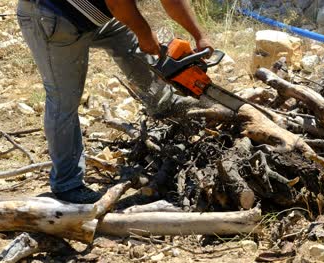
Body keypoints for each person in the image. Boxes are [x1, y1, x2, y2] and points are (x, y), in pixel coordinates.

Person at [16, 0, 213, 203]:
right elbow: (117, 3)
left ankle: (170, 110)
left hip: (97, 14)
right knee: (63, 99)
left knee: (137, 53)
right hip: (53, 15)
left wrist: (200, 35)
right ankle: (67, 185)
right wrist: (144, 33)